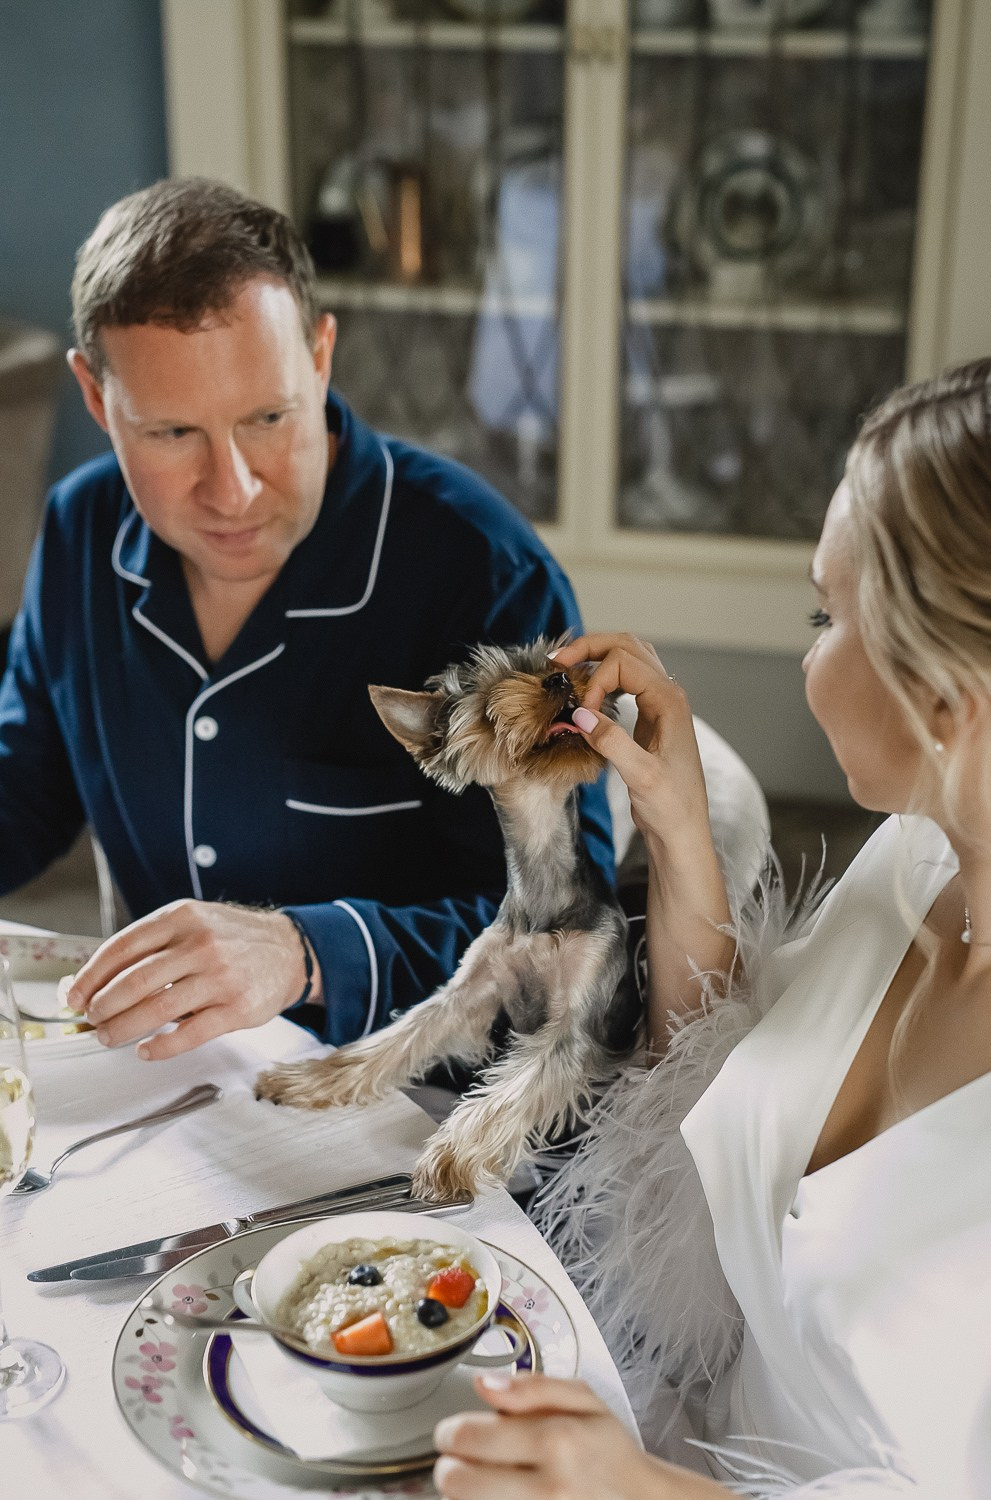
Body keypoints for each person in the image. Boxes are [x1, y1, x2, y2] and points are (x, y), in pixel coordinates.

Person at [433, 359, 991, 1499]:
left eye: (826, 615)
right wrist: (678, 827)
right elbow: (719, 1094)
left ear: (948, 686)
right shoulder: (917, 863)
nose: (806, 656)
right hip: (664, 1431)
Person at [0, 177, 613, 1061]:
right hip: (180, 1092)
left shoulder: (482, 572)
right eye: (173, 434)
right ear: (98, 401)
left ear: (321, 356)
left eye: (268, 418)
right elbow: (26, 793)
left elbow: (565, 932)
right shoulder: (77, 527)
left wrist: (304, 954)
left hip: (422, 1099)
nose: (233, 491)